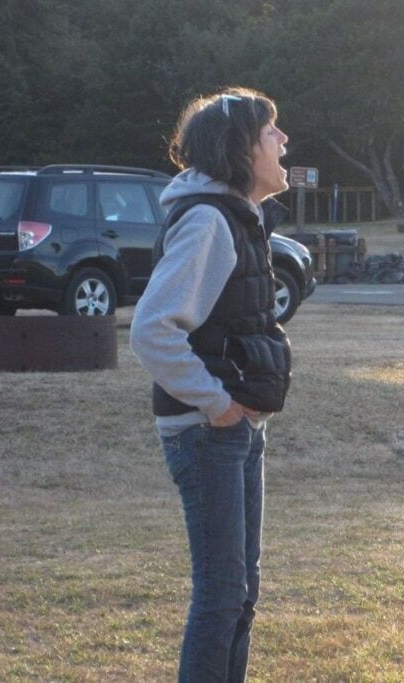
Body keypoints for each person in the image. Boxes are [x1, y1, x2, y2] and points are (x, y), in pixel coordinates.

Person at [130, 87, 292, 682]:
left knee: (240, 596)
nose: (282, 141)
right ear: (239, 149)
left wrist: (235, 414)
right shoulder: (207, 221)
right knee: (223, 596)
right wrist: (217, 404)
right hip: (207, 430)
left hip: (234, 429)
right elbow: (151, 331)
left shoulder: (237, 217)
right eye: (270, 132)